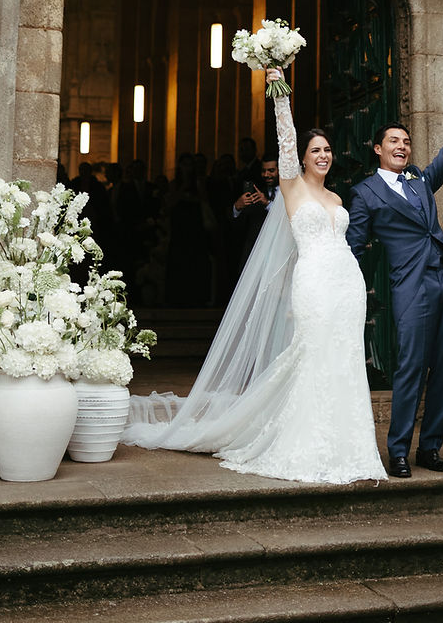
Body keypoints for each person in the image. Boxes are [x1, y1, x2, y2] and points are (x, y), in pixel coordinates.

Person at [123, 65, 386, 485]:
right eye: (315, 150)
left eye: (328, 150)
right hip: (315, 283)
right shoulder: (292, 188)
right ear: (302, 156)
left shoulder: (337, 197)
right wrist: (279, 92)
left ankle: (350, 445)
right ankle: (307, 443)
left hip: (348, 285)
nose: (323, 155)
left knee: (346, 361)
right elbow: (285, 138)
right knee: (314, 356)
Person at [346, 90, 443, 478]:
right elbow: (353, 248)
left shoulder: (419, 181)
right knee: (409, 367)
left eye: (406, 142)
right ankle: (399, 451)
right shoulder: (364, 193)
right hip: (409, 286)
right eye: (394, 141)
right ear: (378, 149)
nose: (402, 146)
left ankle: (431, 447)